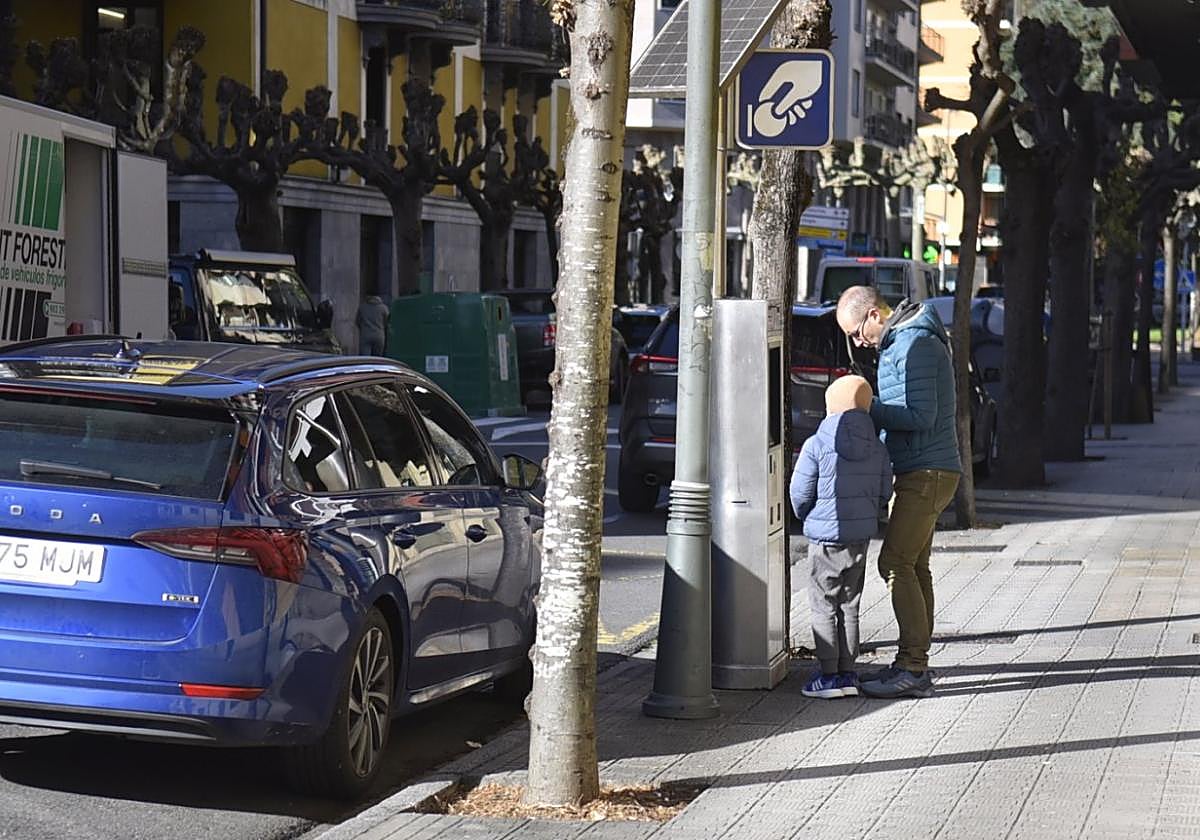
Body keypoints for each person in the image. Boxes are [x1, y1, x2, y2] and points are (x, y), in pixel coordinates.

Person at [836, 285, 960, 699]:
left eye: (856, 332)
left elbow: (921, 416)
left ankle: (912, 667)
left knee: (894, 563)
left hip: (927, 471)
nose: (858, 342)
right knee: (914, 565)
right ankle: (914, 662)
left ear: (874, 314)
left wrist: (866, 410)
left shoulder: (915, 345)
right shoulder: (901, 343)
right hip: (923, 468)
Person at [790, 375, 893, 699]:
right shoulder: (876, 446)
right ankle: (849, 673)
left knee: (823, 605)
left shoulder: (816, 444)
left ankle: (828, 676)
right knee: (850, 605)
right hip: (860, 538)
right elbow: (885, 491)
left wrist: (806, 515)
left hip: (825, 537)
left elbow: (800, 492)